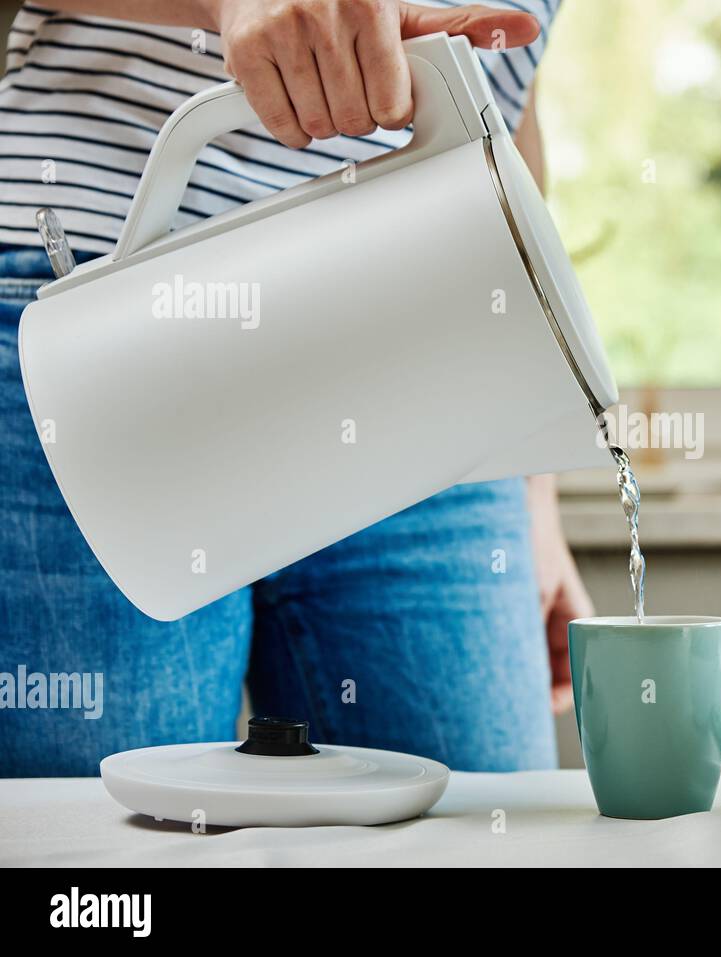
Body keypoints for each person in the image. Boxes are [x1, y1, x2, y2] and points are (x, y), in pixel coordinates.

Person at [0, 0, 593, 776]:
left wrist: (535, 497)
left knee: (479, 821)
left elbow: (507, 104)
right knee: (109, 842)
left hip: (433, 349)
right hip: (110, 325)